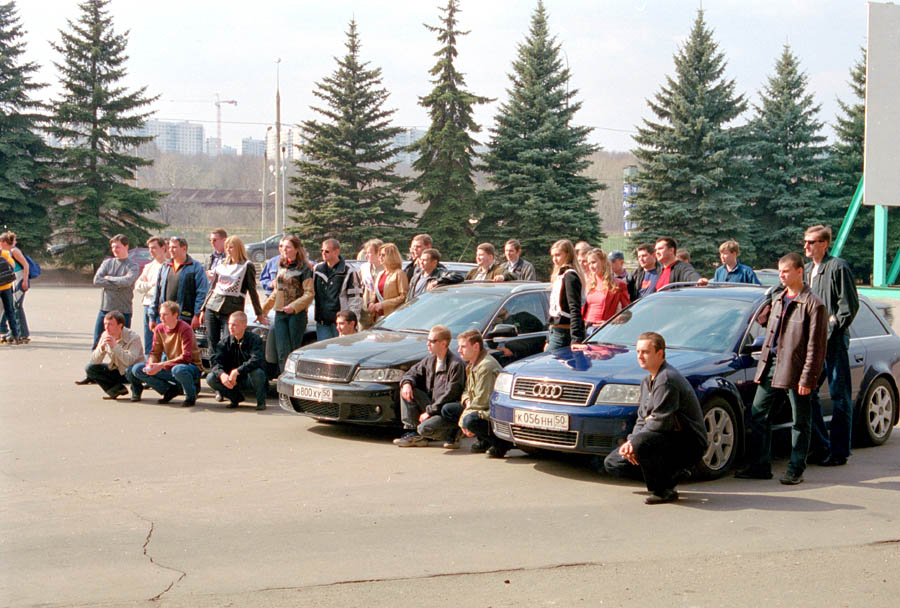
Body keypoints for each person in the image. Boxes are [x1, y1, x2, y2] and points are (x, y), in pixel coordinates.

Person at [736, 253, 827, 485]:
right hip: (771, 365)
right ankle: (760, 465)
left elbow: (816, 346)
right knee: (758, 413)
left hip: (796, 368)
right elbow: (770, 333)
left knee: (800, 421)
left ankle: (796, 469)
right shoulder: (779, 298)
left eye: (786, 271)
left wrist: (808, 378)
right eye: (780, 272)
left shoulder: (813, 304)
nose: (782, 276)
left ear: (799, 271)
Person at [604, 332, 709, 504]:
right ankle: (671, 474)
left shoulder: (667, 379)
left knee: (641, 443)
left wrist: (636, 442)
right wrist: (631, 443)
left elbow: (661, 421)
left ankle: (663, 490)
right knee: (613, 463)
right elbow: (642, 419)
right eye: (638, 352)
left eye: (645, 352)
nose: (640, 356)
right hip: (660, 438)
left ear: (660, 354)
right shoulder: (647, 381)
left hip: (687, 443)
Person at [803, 224, 859, 467]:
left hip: (833, 343)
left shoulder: (837, 267)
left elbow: (849, 306)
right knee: (807, 391)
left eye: (811, 242)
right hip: (812, 344)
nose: (806, 246)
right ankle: (821, 445)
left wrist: (831, 328)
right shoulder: (807, 270)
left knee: (839, 396)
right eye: (805, 241)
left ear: (824, 244)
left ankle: (839, 451)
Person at [440, 329, 511, 456]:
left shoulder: (486, 366)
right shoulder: (472, 365)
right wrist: (467, 402)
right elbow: (466, 391)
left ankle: (500, 444)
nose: (459, 350)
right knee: (448, 410)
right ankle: (484, 440)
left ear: (476, 347)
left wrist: (463, 420)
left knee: (469, 420)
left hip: (493, 411)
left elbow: (482, 403)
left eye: (463, 347)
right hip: (477, 406)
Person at [393, 325, 466, 447]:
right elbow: (411, 373)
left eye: (432, 341)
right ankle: (413, 433)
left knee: (425, 428)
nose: (428, 344)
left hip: (445, 410)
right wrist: (406, 384)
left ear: (443, 343)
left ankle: (453, 432)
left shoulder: (455, 365)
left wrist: (429, 412)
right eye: (427, 340)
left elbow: (451, 394)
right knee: (408, 390)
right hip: (432, 405)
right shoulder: (430, 360)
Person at [199, 235, 263, 355]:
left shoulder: (247, 265)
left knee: (228, 343)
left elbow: (252, 291)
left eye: (231, 247)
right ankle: (215, 366)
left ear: (238, 248)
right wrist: (203, 309)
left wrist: (259, 313)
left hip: (231, 310)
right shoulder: (222, 265)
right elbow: (212, 288)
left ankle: (227, 366)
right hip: (212, 306)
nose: (228, 250)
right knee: (212, 344)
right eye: (227, 247)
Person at [130, 300, 202, 406]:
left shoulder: (185, 328)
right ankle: (169, 390)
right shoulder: (159, 328)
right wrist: (151, 365)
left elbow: (186, 357)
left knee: (179, 370)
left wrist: (161, 365)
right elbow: (155, 352)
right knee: (138, 369)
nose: (161, 318)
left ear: (175, 315)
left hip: (190, 366)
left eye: (165, 315)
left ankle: (191, 396)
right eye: (160, 314)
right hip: (170, 365)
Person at [261, 235, 314, 371]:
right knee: (282, 350)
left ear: (296, 249)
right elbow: (276, 292)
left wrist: (294, 307)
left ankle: (294, 377)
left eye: (288, 247)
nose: (284, 250)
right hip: (280, 314)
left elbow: (309, 293)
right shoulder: (281, 265)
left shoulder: (305, 268)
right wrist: (263, 311)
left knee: (294, 350)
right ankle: (283, 377)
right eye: (282, 247)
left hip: (296, 315)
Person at [205, 311, 268, 410]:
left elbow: (256, 359)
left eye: (234, 325)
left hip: (248, 378)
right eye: (229, 324)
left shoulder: (255, 340)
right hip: (231, 379)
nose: (230, 327)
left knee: (258, 373)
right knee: (210, 378)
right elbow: (215, 361)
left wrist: (237, 371)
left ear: (244, 326)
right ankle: (235, 398)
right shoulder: (224, 342)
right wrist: (222, 374)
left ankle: (261, 402)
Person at [150, 237, 209, 332]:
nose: (171, 250)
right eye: (169, 247)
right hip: (165, 318)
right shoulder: (165, 267)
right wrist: (152, 316)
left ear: (184, 248)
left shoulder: (196, 267)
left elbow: (202, 293)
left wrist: (197, 315)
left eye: (174, 247)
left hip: (186, 318)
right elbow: (157, 292)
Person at [85, 311, 144, 400]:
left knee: (131, 370)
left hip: (133, 372)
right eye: (105, 324)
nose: (106, 327)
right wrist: (101, 348)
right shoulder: (105, 335)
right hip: (118, 370)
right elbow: (94, 360)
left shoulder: (134, 338)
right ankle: (116, 389)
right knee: (90, 368)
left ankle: (137, 390)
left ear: (120, 325)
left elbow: (129, 361)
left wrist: (115, 346)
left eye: (110, 324)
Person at [313, 238, 362, 340]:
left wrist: (352, 321)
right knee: (325, 349)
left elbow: (356, 298)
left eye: (327, 251)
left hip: (341, 323)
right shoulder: (317, 269)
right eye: (322, 250)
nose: (323, 253)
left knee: (342, 348)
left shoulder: (348, 271)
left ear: (336, 252)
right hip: (322, 322)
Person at [546, 239, 586, 350]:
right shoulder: (561, 274)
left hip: (564, 333)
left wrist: (576, 339)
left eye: (558, 255)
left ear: (567, 254)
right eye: (553, 256)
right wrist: (548, 339)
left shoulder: (570, 276)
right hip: (555, 330)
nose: (555, 259)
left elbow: (575, 308)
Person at [133, 237, 168, 355]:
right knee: (149, 339)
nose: (151, 251)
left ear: (163, 248)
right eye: (149, 248)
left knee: (161, 339)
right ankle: (148, 361)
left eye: (154, 248)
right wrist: (151, 284)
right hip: (147, 305)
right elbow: (138, 286)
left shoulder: (169, 266)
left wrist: (151, 287)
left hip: (161, 307)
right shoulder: (149, 266)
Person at [583, 248, 630, 326]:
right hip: (585, 327)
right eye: (589, 263)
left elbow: (627, 312)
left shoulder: (618, 284)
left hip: (602, 328)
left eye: (593, 262)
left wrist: (611, 322)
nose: (591, 266)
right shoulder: (588, 284)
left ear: (603, 262)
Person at [364, 243, 408, 325]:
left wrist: (383, 304)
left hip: (393, 316)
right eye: (379, 255)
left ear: (391, 257)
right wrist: (371, 303)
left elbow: (403, 297)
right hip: (378, 317)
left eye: (383, 255)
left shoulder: (399, 273)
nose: (380, 257)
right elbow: (375, 294)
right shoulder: (380, 274)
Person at [0, 234, 24, 345]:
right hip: (7, 286)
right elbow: (13, 265)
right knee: (10, 311)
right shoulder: (4, 253)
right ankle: (16, 336)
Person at [357, 238, 384, 327]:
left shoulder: (388, 269)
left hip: (381, 313)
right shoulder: (364, 268)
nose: (366, 256)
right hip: (365, 313)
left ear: (378, 253)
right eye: (366, 253)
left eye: (369, 253)